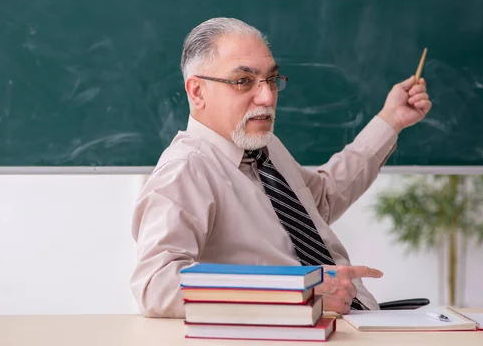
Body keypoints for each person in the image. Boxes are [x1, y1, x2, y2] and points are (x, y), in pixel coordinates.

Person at [130, 17, 431, 318]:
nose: (267, 97)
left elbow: (320, 200)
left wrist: (391, 120)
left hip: (359, 321)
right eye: (243, 81)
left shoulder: (263, 146)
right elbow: (156, 284)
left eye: (271, 79)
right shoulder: (186, 169)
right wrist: (298, 292)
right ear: (197, 92)